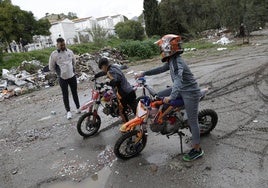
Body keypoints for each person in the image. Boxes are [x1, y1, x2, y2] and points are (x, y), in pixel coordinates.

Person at [135, 34, 203, 162]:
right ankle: (171, 118)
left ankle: (197, 149)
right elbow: (160, 69)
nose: (160, 50)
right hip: (181, 89)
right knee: (159, 96)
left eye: (161, 47)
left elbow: (177, 81)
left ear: (168, 47)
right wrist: (143, 73)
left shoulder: (177, 62)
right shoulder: (172, 60)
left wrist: (171, 97)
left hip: (190, 92)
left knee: (193, 123)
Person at [96, 57, 137, 123]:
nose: (102, 70)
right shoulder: (114, 66)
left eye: (102, 68)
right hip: (129, 90)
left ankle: (127, 128)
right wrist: (96, 76)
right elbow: (111, 74)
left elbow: (116, 81)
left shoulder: (110, 71)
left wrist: (109, 83)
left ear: (104, 66)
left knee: (121, 111)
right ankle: (142, 124)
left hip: (123, 94)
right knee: (136, 110)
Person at [49, 37, 80, 120]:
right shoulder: (54, 54)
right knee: (65, 95)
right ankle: (68, 112)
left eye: (64, 44)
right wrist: (59, 72)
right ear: (57, 45)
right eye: (61, 45)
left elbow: (74, 62)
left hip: (72, 76)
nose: (63, 46)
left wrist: (72, 69)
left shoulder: (70, 52)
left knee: (75, 93)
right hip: (62, 78)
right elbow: (51, 67)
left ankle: (78, 108)